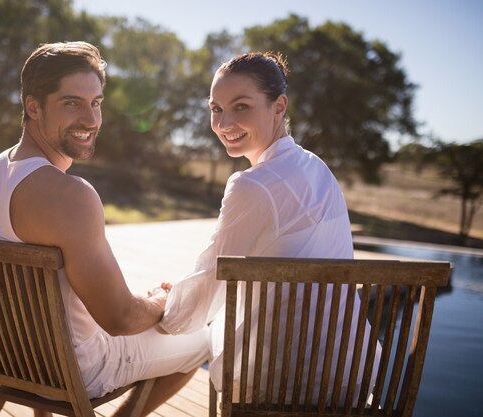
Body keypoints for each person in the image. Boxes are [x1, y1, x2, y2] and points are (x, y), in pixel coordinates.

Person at [0, 41, 208, 417]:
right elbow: (119, 319)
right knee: (202, 338)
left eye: (96, 102)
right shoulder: (70, 195)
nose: (91, 119)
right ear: (33, 107)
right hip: (77, 369)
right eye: (72, 103)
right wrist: (162, 303)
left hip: (15, 357)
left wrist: (140, 302)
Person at [159, 52, 381, 405]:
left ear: (279, 107)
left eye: (241, 106)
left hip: (274, 382)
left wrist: (164, 307)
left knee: (176, 337)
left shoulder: (252, 184)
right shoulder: (317, 168)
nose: (224, 122)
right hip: (347, 376)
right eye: (216, 109)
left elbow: (207, 286)